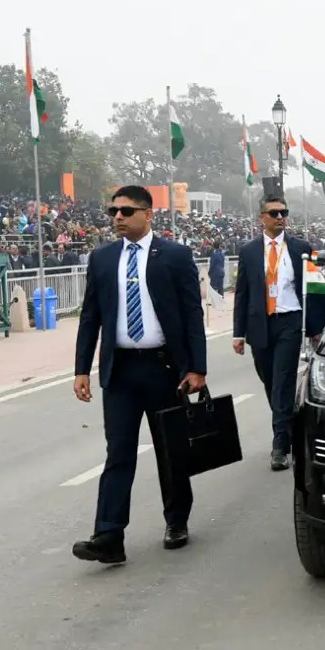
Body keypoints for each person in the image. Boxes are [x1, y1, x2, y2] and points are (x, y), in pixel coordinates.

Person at [71, 185, 208, 564]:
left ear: (148, 214)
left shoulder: (175, 256)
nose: (118, 217)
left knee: (171, 450)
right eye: (113, 210)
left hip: (166, 369)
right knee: (118, 454)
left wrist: (197, 366)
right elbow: (90, 316)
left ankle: (176, 520)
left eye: (126, 211)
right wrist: (82, 368)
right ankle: (109, 536)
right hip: (120, 372)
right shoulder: (101, 259)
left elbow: (192, 312)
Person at [232, 195, 315, 471]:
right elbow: (242, 293)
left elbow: (312, 291)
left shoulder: (301, 249)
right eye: (274, 213)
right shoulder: (249, 251)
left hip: (289, 322)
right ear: (262, 219)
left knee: (282, 381)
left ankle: (280, 446)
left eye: (284, 213)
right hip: (260, 325)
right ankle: (288, 428)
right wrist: (238, 333)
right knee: (269, 381)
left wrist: (314, 328)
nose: (280, 217)